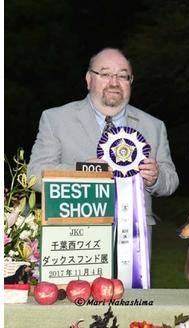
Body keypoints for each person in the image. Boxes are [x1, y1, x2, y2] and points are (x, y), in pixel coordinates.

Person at [27, 48, 179, 247]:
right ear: (89, 79)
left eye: (123, 76)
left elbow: (171, 180)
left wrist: (156, 177)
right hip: (75, 240)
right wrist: (82, 172)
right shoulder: (56, 119)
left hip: (133, 245)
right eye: (105, 74)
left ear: (130, 82)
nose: (114, 82)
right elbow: (34, 176)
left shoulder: (154, 126)